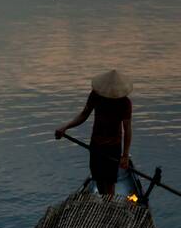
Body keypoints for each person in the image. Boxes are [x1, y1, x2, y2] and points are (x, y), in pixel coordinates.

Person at [54, 68, 133, 196]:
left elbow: (127, 129)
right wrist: (65, 127)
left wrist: (125, 155)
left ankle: (109, 207)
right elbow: (84, 115)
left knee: (110, 183)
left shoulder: (124, 103)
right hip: (96, 144)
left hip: (113, 147)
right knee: (99, 180)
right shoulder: (96, 96)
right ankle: (104, 202)